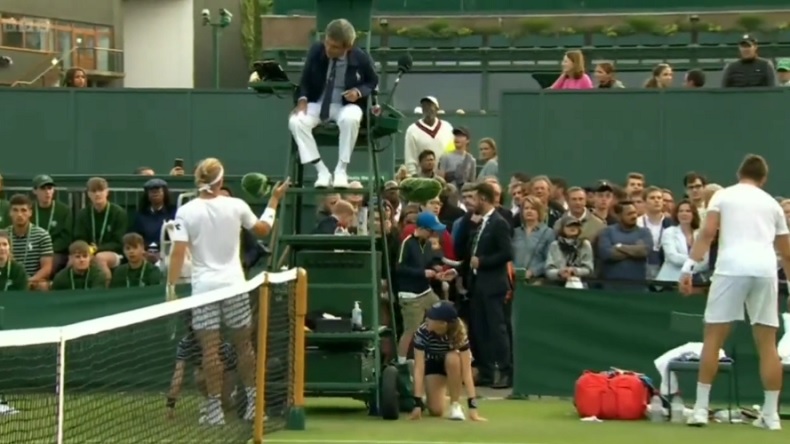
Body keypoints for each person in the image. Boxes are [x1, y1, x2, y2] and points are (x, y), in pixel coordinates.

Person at [166, 157, 289, 426]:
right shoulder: (237, 205)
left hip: (205, 289)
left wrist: (171, 285)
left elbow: (177, 252)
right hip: (233, 285)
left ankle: (214, 410)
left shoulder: (185, 212)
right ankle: (253, 405)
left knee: (210, 350)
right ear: (220, 180)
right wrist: (274, 200)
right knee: (244, 345)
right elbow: (264, 229)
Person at [680, 154, 789, 430]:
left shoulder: (723, 196)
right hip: (764, 271)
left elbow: (707, 233)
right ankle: (771, 415)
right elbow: (787, 252)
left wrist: (688, 268)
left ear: (739, 173)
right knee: (767, 343)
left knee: (713, 337)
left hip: (730, 269)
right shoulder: (772, 205)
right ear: (763, 178)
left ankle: (702, 410)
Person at [288, 18, 378, 189]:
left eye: (335, 47)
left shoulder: (361, 57)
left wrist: (358, 92)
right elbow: (305, 80)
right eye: (327, 43)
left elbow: (372, 82)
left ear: (348, 47)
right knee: (296, 121)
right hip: (319, 103)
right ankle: (321, 171)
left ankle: (341, 170)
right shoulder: (316, 50)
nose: (329, 49)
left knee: (351, 119)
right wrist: (302, 100)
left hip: (346, 105)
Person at [468, 182, 513, 389]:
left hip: (494, 284)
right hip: (478, 284)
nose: (472, 203)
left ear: (483, 199)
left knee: (497, 329)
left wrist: (482, 261)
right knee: (480, 329)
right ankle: (486, 371)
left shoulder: (499, 223)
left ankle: (504, 371)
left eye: (474, 198)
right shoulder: (481, 223)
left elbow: (507, 253)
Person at [410, 300, 485, 422]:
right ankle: (429, 398)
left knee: (453, 358)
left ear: (443, 323)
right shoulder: (422, 332)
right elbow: (419, 368)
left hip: (452, 364)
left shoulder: (459, 332)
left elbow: (466, 372)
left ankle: (455, 405)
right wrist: (417, 403)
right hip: (433, 364)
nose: (427, 319)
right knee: (436, 411)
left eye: (432, 318)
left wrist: (473, 407)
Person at [395, 211, 452, 366]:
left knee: (443, 314)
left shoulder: (426, 244)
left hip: (426, 291)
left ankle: (442, 354)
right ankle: (400, 363)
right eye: (431, 230)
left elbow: (428, 263)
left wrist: (438, 270)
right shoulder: (407, 243)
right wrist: (422, 273)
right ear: (423, 229)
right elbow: (399, 268)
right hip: (410, 295)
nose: (433, 234)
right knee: (411, 329)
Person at [167, 313, 241, 422]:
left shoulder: (219, 342)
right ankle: (213, 401)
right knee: (199, 376)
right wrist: (170, 405)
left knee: (226, 403)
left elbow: (228, 368)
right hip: (206, 373)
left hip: (228, 371)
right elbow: (178, 374)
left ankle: (230, 398)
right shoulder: (185, 344)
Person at [74, 177, 128, 283]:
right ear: (88, 194)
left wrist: (96, 249)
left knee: (100, 258)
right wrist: (87, 250)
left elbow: (118, 241)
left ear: (107, 192)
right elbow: (78, 237)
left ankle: (105, 290)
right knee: (73, 260)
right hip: (87, 252)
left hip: (114, 253)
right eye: (93, 191)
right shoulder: (83, 214)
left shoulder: (118, 213)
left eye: (101, 190)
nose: (97, 194)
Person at [31, 175, 72, 275]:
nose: (47, 192)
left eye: (50, 188)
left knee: (49, 262)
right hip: (32, 249)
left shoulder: (64, 210)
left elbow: (66, 237)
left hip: (55, 251)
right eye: (43, 188)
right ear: (34, 191)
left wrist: (47, 250)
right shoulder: (29, 209)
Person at [403, 96, 454, 176]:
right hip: (422, 178)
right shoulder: (412, 130)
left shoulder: (447, 127)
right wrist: (413, 176)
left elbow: (451, 153)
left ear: (437, 109)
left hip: (445, 176)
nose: (427, 109)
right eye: (424, 106)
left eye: (430, 106)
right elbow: (410, 158)